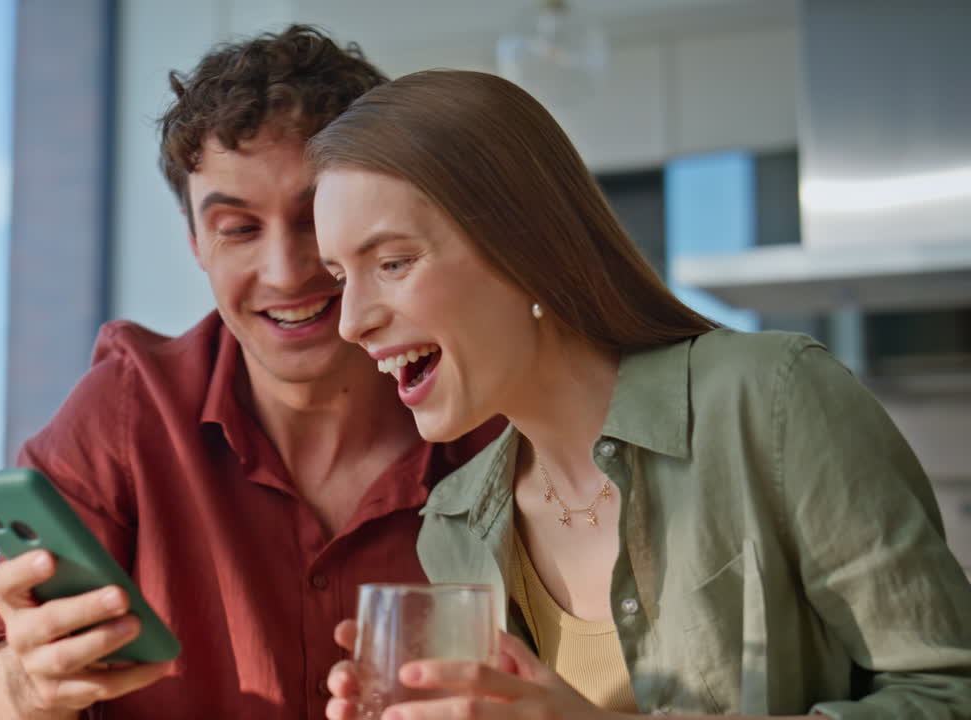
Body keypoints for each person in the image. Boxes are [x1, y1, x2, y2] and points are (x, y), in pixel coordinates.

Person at [311, 69, 971, 719]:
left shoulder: (770, 400)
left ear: (524, 245)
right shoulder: (455, 522)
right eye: (342, 277)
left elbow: (950, 693)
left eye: (392, 263)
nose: (351, 321)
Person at [0, 32, 501, 720]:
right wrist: (24, 684)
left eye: (316, 216)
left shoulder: (488, 413)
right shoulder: (128, 409)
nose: (286, 272)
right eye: (238, 228)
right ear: (197, 242)